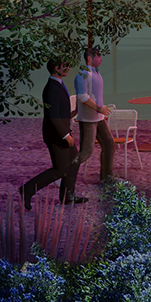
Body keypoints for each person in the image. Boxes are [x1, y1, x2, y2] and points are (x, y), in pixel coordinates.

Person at [19, 59, 84, 207]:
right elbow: (53, 115)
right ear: (56, 68)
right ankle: (28, 189)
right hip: (56, 135)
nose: (68, 68)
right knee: (61, 169)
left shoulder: (58, 85)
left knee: (74, 161)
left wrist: (72, 114)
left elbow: (59, 112)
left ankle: (69, 196)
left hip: (63, 132)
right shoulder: (51, 88)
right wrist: (65, 135)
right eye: (65, 66)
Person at [72, 47, 114, 184]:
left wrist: (99, 110)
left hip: (99, 118)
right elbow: (82, 96)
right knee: (86, 151)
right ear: (89, 58)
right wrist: (98, 108)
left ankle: (107, 177)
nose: (101, 59)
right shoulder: (83, 75)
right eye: (98, 56)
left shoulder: (97, 74)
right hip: (89, 119)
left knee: (108, 144)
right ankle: (63, 173)